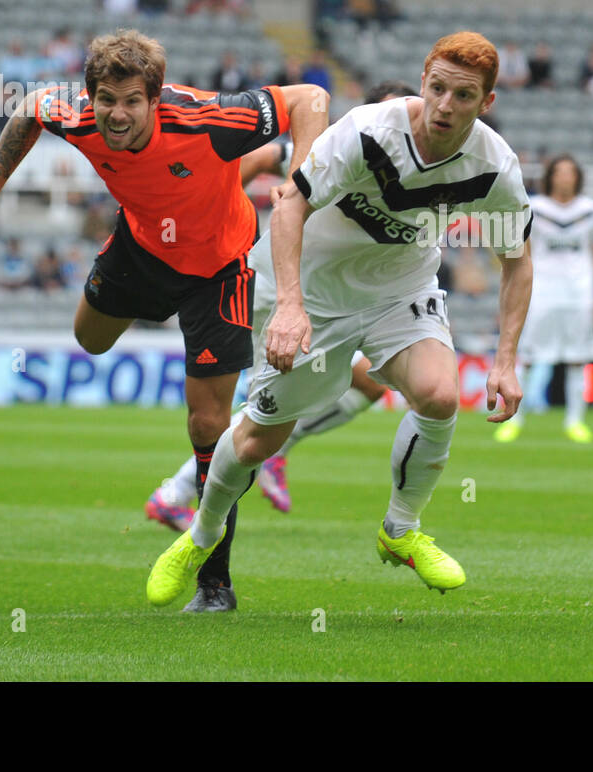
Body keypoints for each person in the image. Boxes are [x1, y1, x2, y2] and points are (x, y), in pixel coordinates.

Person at [0, 30, 328, 612]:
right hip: (142, 247)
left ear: (155, 96)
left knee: (207, 425)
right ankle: (248, 170)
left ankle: (214, 582)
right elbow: (27, 109)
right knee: (89, 340)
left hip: (217, 269)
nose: (117, 114)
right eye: (106, 100)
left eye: (131, 101)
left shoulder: (204, 119)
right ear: (91, 95)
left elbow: (309, 99)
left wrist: (300, 189)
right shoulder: (78, 114)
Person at [145, 32, 533, 603]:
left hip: (400, 290)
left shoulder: (494, 167)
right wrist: (291, 307)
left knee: (440, 395)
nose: (447, 105)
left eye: (465, 95)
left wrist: (505, 362)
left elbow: (517, 262)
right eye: (438, 88)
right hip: (317, 295)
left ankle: (401, 530)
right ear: (423, 79)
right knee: (255, 442)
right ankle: (200, 536)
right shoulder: (368, 131)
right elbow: (290, 204)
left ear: (487, 102)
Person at [147, 82, 418, 521]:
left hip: (337, 296)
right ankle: (175, 495)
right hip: (281, 288)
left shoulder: (417, 177)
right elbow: (255, 161)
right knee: (263, 407)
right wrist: (286, 186)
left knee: (367, 382)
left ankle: (263, 456)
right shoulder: (340, 144)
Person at [494, 155, 593, 445]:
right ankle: (513, 420)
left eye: (571, 172)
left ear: (578, 177)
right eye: (560, 172)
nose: (565, 178)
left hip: (579, 293)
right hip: (542, 292)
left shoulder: (591, 210)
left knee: (577, 359)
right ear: (550, 177)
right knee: (529, 357)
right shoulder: (535, 208)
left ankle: (575, 421)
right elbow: (522, 254)